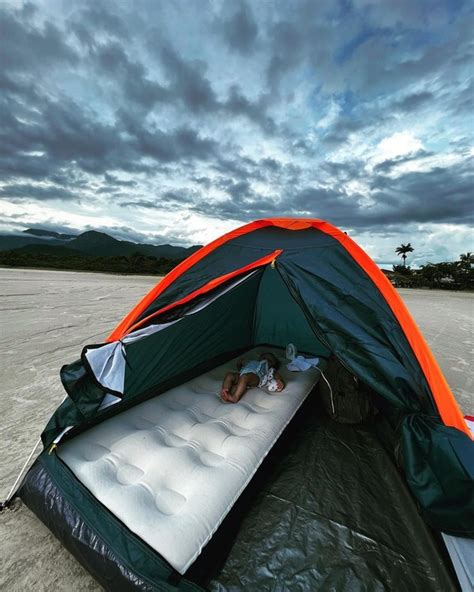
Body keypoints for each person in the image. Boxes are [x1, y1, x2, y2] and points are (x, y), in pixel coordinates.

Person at [220, 352, 285, 403]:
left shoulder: (268, 368)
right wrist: (239, 365)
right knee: (229, 375)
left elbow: (275, 374)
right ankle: (225, 391)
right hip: (243, 374)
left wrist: (279, 380)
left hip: (257, 377)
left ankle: (235, 397)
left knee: (244, 377)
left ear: (273, 365)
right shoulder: (253, 362)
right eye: (264, 357)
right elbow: (242, 369)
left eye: (269, 360)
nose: (266, 360)